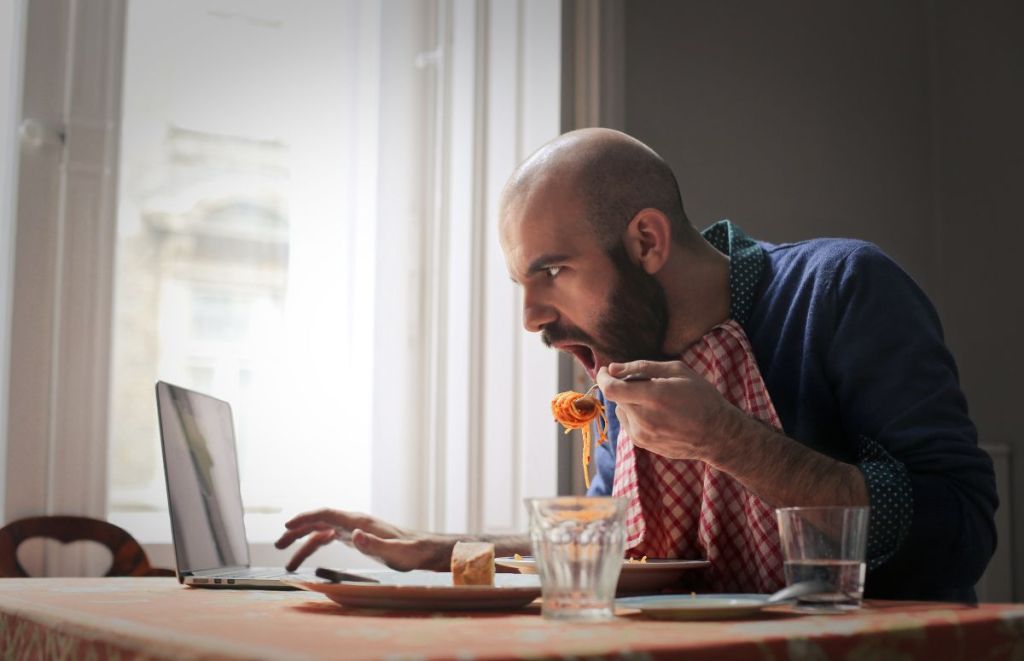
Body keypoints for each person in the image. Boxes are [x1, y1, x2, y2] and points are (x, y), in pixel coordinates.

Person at [276, 128, 996, 601]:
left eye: (551, 271)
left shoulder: (842, 290)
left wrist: (728, 439)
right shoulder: (625, 363)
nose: (530, 315)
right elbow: (619, 545)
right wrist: (444, 549)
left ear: (648, 241)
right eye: (521, 285)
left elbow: (962, 534)